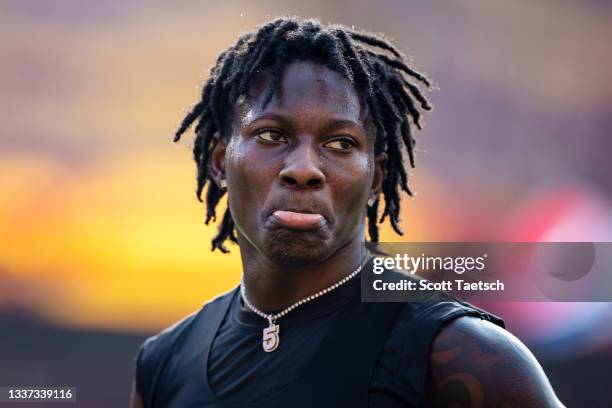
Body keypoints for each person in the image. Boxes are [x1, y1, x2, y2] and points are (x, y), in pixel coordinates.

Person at [130, 17, 564, 407]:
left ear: (376, 178)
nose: (303, 169)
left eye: (340, 143)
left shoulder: (461, 356)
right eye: (271, 135)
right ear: (220, 162)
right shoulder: (165, 362)